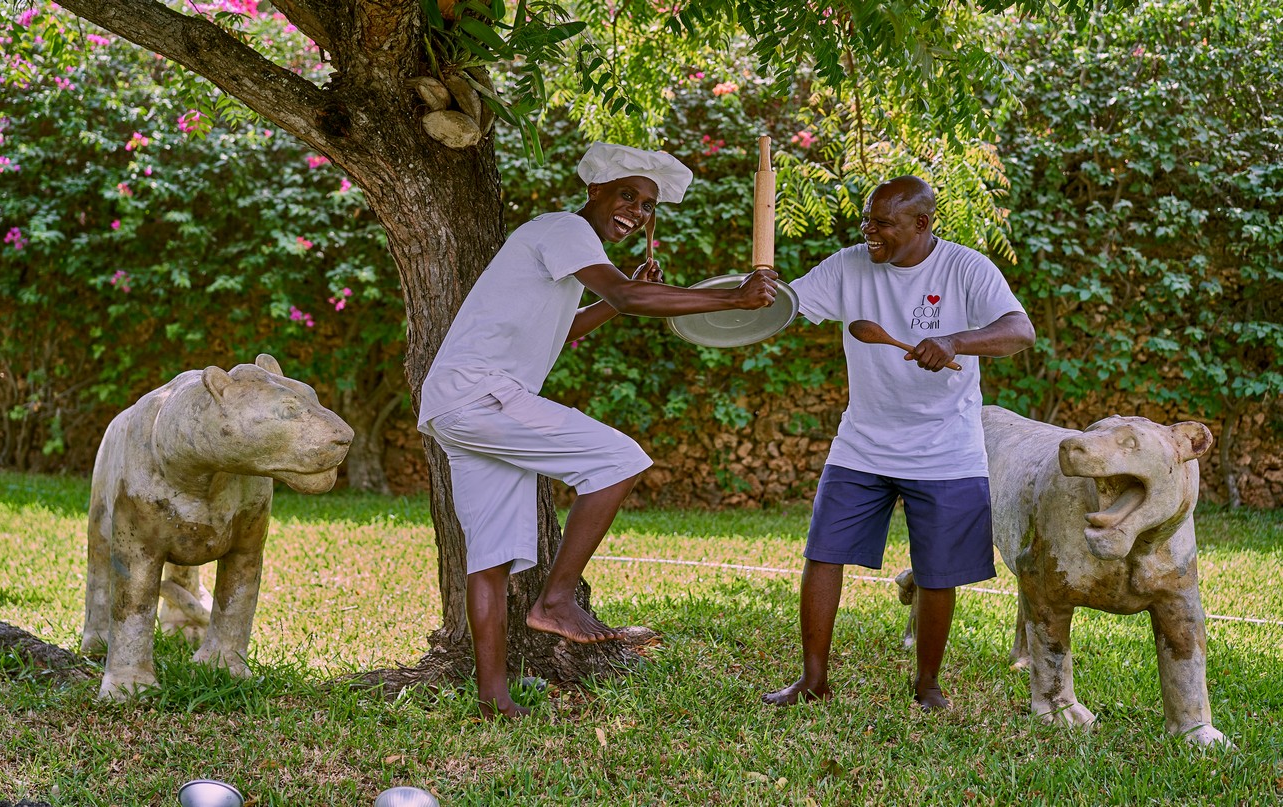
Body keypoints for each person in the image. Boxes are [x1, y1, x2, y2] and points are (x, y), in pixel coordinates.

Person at [419, 142, 780, 718]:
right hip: (479, 395)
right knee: (619, 461)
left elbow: (571, 329)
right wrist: (733, 296)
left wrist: (620, 298)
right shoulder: (564, 228)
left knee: (488, 560)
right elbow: (629, 296)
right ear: (594, 191)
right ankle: (556, 600)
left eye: (646, 207)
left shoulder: (565, 250)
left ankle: (493, 700)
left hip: (458, 405)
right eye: (627, 195)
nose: (636, 213)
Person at [762, 175, 1035, 711]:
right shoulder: (849, 265)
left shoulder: (966, 268)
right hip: (862, 443)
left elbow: (1020, 331)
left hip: (946, 447)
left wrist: (956, 340)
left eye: (883, 223)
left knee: (939, 571)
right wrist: (753, 296)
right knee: (823, 553)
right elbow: (787, 306)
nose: (870, 232)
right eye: (866, 220)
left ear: (922, 224)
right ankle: (812, 679)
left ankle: (927, 684)